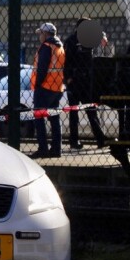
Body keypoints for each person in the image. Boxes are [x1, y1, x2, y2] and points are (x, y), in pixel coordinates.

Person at [66, 17, 108, 149]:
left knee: (91, 111)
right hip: (74, 81)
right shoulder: (71, 41)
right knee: (74, 113)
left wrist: (103, 36)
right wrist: (68, 78)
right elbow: (66, 61)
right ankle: (74, 141)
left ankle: (101, 139)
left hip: (86, 81)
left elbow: (100, 35)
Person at [29, 22, 65, 159]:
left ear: (45, 34)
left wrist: (38, 84)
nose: (39, 36)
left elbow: (42, 68)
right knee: (54, 117)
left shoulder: (46, 47)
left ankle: (42, 148)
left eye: (40, 33)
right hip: (57, 88)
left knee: (38, 117)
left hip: (45, 87)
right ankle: (56, 149)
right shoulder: (60, 47)